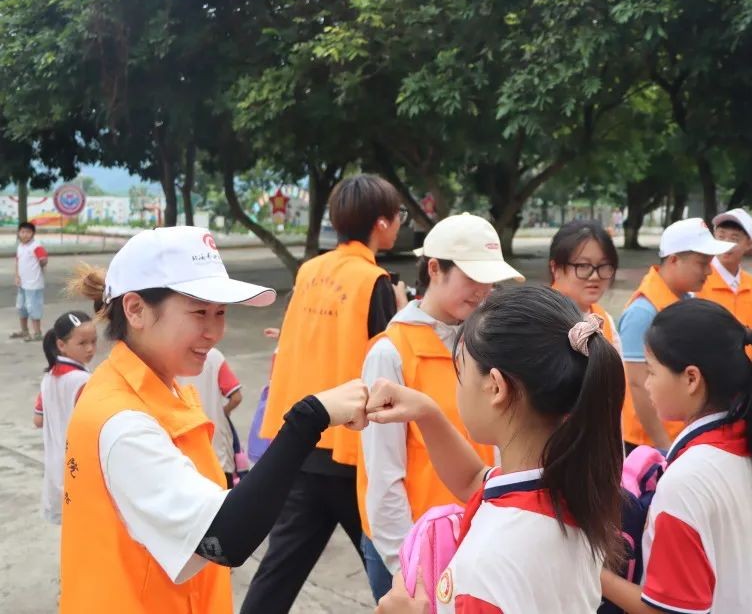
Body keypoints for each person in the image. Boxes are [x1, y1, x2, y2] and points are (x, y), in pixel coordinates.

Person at [59, 226, 372, 613]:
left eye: (220, 312)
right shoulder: (124, 423)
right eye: (199, 312)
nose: (214, 332)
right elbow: (224, 537)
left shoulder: (152, 390)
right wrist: (309, 419)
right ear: (136, 309)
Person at [370, 285, 625, 613]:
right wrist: (427, 414)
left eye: (460, 371)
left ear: (495, 387)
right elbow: (473, 479)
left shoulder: (487, 563)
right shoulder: (568, 488)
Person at [245, 174, 408, 613]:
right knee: (396, 573)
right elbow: (385, 365)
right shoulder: (373, 281)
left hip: (303, 442)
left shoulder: (310, 270)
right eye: (398, 216)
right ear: (381, 223)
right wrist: (400, 313)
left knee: (278, 573)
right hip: (352, 453)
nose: (399, 224)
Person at [358, 213, 521, 599]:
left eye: (489, 280)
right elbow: (384, 474)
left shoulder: (484, 343)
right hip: (417, 549)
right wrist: (407, 566)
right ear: (434, 269)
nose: (483, 291)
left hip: (476, 534)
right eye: (472, 278)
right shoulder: (391, 352)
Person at [600, 299, 752, 613]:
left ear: (691, 379)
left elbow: (665, 609)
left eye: (652, 371)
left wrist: (594, 572)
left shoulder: (687, 480)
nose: (647, 384)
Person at [619, 218, 732, 450]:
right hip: (647, 444)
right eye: (702, 263)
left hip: (679, 434)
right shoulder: (643, 312)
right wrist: (664, 446)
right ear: (673, 260)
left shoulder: (685, 299)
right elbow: (637, 384)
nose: (709, 271)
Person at [32, 310, 96, 524]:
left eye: (93, 341)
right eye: (82, 343)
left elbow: (38, 420)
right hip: (81, 466)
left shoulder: (49, 377)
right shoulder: (83, 381)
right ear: (61, 345)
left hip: (56, 468)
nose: (90, 348)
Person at [549, 219, 621, 351]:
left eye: (604, 265)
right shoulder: (536, 320)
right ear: (555, 268)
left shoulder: (604, 321)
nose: (595, 276)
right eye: (583, 265)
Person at [699, 208, 752, 336]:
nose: (726, 244)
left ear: (749, 244)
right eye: (721, 237)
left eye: (734, 239)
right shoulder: (698, 280)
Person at [190, 348, 244, 487]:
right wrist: (223, 412)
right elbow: (236, 397)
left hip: (185, 450)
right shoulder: (214, 356)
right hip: (217, 448)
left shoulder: (165, 355)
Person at [12, 221, 49, 342]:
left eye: (28, 232)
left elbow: (43, 259)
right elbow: (17, 262)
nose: (25, 234)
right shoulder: (20, 247)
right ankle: (24, 331)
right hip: (22, 284)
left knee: (34, 308)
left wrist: (43, 262)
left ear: (33, 233)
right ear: (19, 233)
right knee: (21, 307)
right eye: (23, 232)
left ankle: (37, 333)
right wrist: (17, 276)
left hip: (34, 285)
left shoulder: (36, 246)